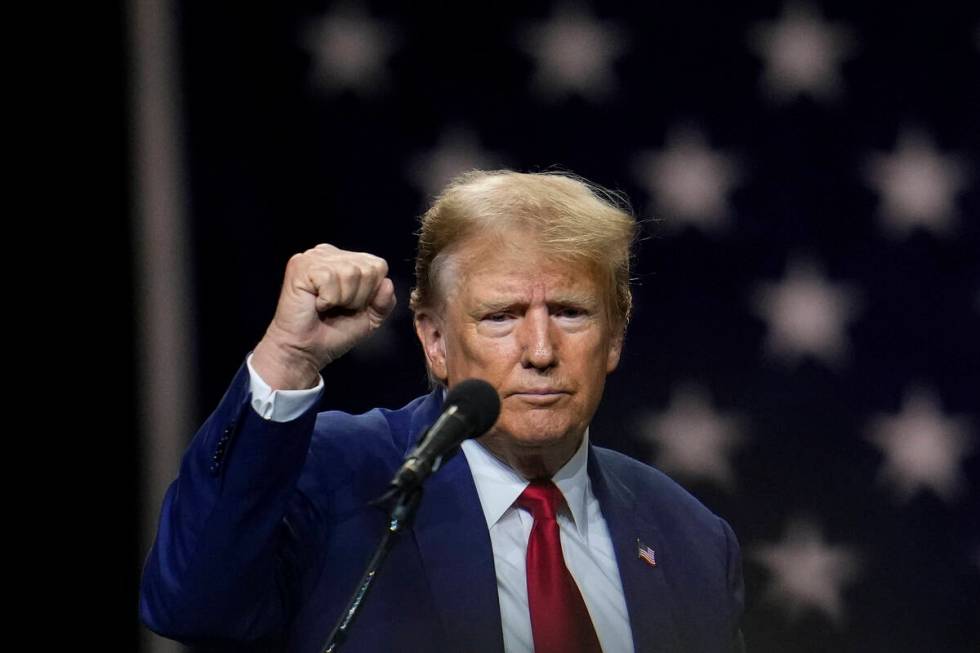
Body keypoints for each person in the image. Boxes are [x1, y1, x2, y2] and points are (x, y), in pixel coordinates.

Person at [139, 170, 745, 653]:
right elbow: (190, 605)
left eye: (570, 312)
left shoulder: (691, 537)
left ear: (614, 336)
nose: (540, 352)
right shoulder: (338, 474)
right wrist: (289, 358)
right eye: (501, 316)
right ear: (433, 340)